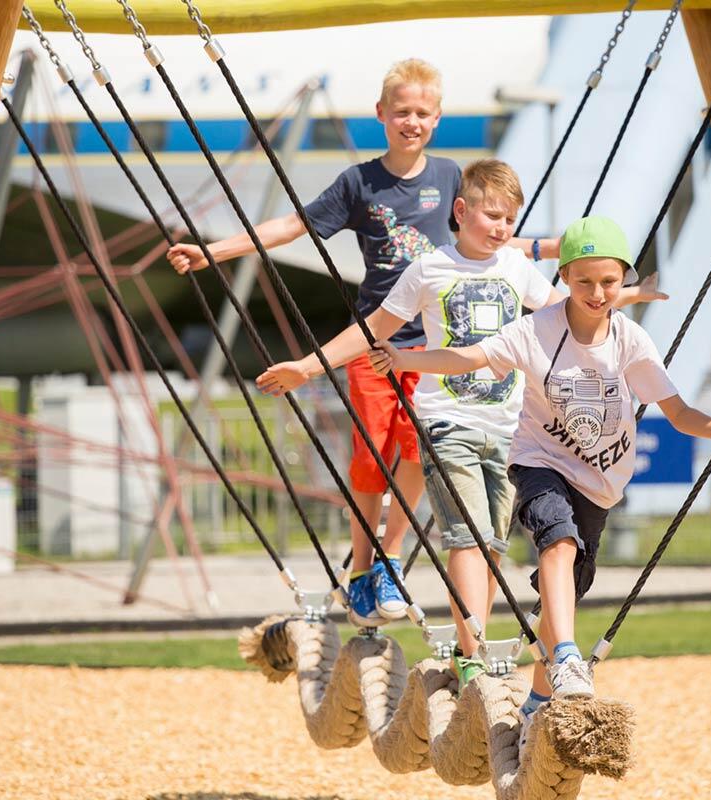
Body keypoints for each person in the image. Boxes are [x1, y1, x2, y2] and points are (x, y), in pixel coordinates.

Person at [166, 60, 557, 627]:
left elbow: (491, 235)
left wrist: (556, 249)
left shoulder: (450, 176)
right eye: (402, 112)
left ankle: (390, 558)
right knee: (372, 457)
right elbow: (294, 226)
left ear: (437, 118)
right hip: (379, 338)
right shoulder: (360, 183)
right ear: (381, 114)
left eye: (422, 112)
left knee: (421, 450)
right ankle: (362, 569)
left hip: (437, 347)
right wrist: (214, 251)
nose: (411, 121)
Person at [257, 164, 664, 679]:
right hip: (446, 419)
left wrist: (627, 294)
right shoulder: (429, 269)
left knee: (493, 544)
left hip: (509, 429)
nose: (501, 228)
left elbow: (577, 307)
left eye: (510, 220)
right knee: (467, 537)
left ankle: (473, 649)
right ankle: (472, 655)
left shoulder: (517, 269)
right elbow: (373, 327)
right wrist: (307, 367)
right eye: (492, 216)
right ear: (461, 211)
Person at [367, 215, 711, 724]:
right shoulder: (536, 330)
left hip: (600, 481)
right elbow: (468, 357)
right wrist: (404, 359)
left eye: (609, 282)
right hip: (540, 461)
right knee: (558, 541)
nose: (597, 293)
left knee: (567, 588)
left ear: (623, 281)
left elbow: (678, 413)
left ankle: (538, 698)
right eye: (584, 281)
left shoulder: (630, 340)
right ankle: (568, 657)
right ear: (564, 277)